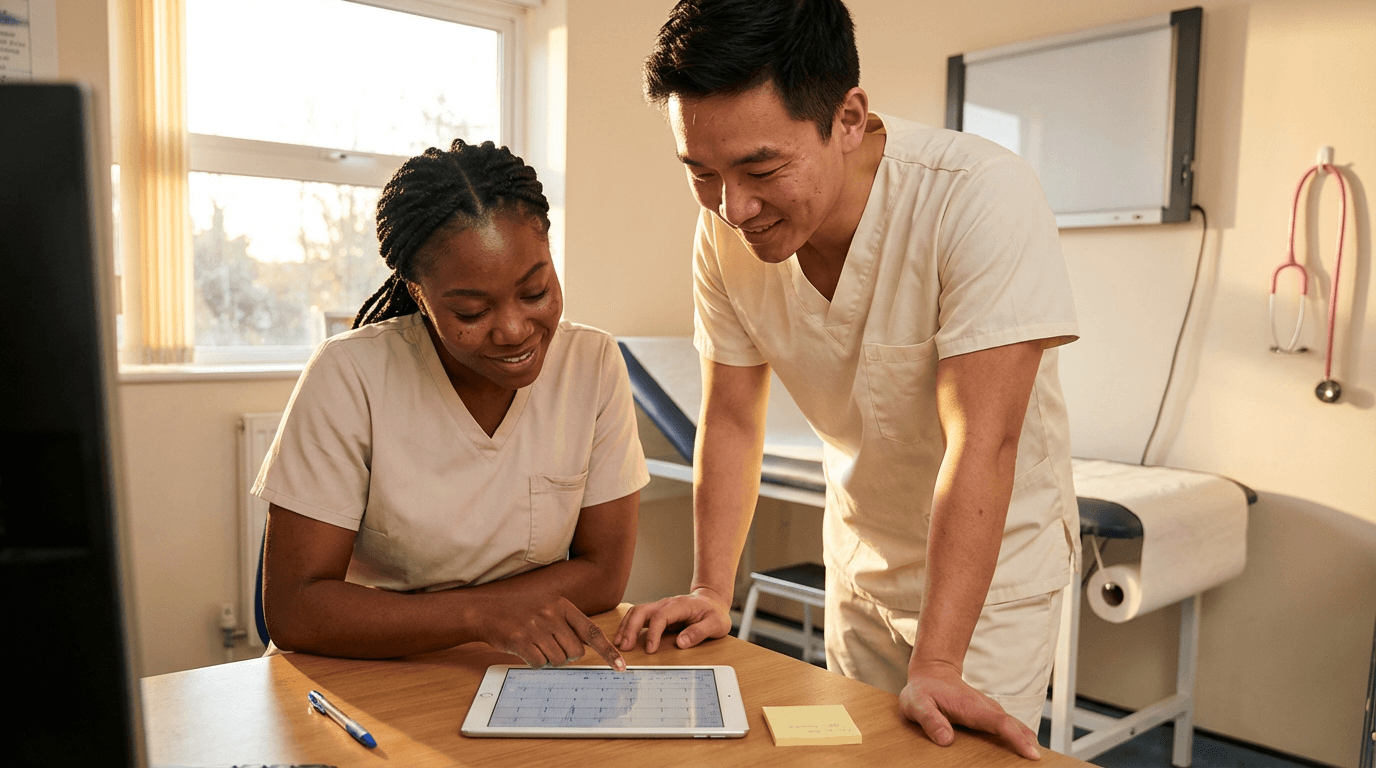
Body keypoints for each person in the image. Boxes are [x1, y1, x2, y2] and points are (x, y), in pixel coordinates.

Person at [613, 0, 1079, 759]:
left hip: (989, 583)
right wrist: (710, 588)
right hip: (862, 557)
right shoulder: (723, 234)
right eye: (701, 173)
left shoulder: (977, 196)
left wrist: (939, 662)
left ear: (849, 118)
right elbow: (731, 417)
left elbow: (983, 442)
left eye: (762, 169)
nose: (734, 207)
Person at [254, 139, 648, 669]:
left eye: (535, 292)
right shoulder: (349, 374)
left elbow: (603, 574)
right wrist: (478, 616)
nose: (514, 330)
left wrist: (491, 618)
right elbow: (295, 609)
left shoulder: (592, 363)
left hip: (521, 668)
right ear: (418, 293)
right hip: (367, 673)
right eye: (471, 311)